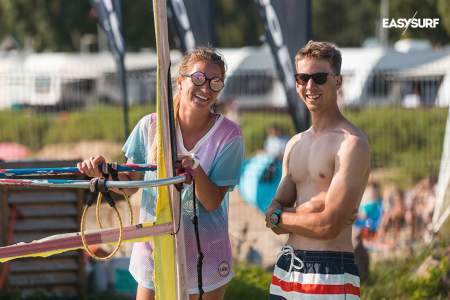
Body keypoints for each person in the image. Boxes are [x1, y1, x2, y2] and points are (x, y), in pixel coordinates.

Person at [78, 47, 244, 300]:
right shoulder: (149, 126)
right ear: (180, 81)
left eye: (215, 82)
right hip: (153, 250)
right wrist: (103, 173)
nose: (206, 88)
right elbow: (130, 186)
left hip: (206, 256)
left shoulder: (229, 135)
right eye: (198, 79)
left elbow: (211, 201)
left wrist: (194, 168)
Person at [265, 41, 370, 299]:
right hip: (286, 268)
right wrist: (283, 215)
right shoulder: (295, 143)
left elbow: (328, 226)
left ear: (338, 81)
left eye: (319, 78)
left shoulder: (351, 144)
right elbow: (274, 208)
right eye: (302, 78)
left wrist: (281, 217)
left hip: (329, 271)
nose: (310, 86)